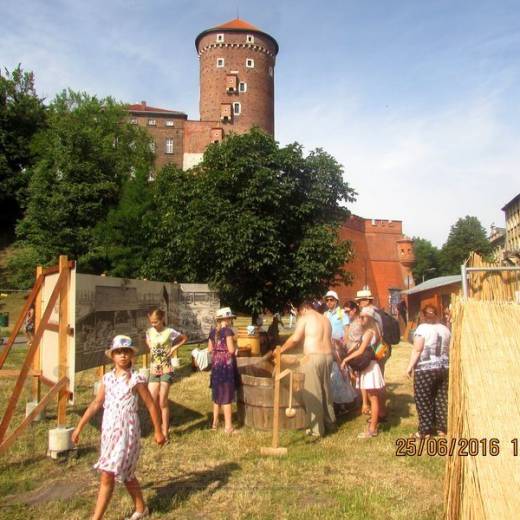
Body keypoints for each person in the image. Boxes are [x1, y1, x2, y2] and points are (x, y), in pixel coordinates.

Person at [72, 335, 165, 520]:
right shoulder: (107, 379)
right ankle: (141, 508)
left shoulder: (136, 378)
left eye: (126, 352)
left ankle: (95, 518)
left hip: (127, 432)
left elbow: (151, 404)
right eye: (118, 352)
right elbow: (97, 403)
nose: (122, 356)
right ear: (112, 356)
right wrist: (79, 427)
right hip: (109, 432)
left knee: (107, 474)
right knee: (127, 473)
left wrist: (158, 430)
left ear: (131, 355)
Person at [281, 300, 336, 437]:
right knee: (326, 391)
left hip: (313, 357)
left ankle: (317, 429)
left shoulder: (306, 318)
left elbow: (295, 338)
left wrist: (281, 349)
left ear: (304, 308)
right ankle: (330, 423)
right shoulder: (325, 319)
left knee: (314, 393)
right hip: (328, 356)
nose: (299, 314)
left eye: (299, 311)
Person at [341, 307, 386, 438]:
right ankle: (373, 424)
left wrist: (346, 359)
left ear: (370, 319)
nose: (360, 319)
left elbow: (360, 351)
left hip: (370, 367)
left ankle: (372, 429)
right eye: (360, 317)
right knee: (374, 397)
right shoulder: (375, 331)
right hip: (371, 365)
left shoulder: (369, 333)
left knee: (373, 398)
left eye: (363, 317)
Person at [406, 305, 451, 438]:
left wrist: (409, 367)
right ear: (437, 315)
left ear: (423, 315)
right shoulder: (445, 329)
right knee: (441, 397)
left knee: (423, 398)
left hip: (425, 368)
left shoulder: (422, 328)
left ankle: (425, 430)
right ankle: (441, 428)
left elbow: (417, 349)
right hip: (443, 367)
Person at [146, 308, 187, 438]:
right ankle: (157, 429)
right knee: (152, 400)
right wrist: (150, 345)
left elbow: (184, 338)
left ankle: (165, 431)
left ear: (162, 319)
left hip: (166, 368)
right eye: (151, 322)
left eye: (156, 322)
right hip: (153, 369)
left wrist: (174, 347)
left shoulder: (169, 332)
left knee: (162, 401)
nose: (153, 324)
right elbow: (147, 339)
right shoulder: (149, 331)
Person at [208, 307, 240, 434]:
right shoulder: (227, 331)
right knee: (227, 396)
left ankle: (214, 423)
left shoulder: (213, 331)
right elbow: (231, 350)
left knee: (217, 394)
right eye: (230, 318)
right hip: (226, 366)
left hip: (216, 365)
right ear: (226, 319)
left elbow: (210, 349)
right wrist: (236, 349)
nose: (231, 320)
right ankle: (228, 427)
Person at [324, 290, 355, 415]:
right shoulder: (325, 314)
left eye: (331, 299)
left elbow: (347, 330)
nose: (329, 302)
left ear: (336, 300)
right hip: (327, 347)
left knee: (341, 373)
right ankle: (334, 402)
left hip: (339, 347)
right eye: (327, 300)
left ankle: (343, 404)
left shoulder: (342, 313)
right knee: (331, 374)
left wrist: (345, 346)